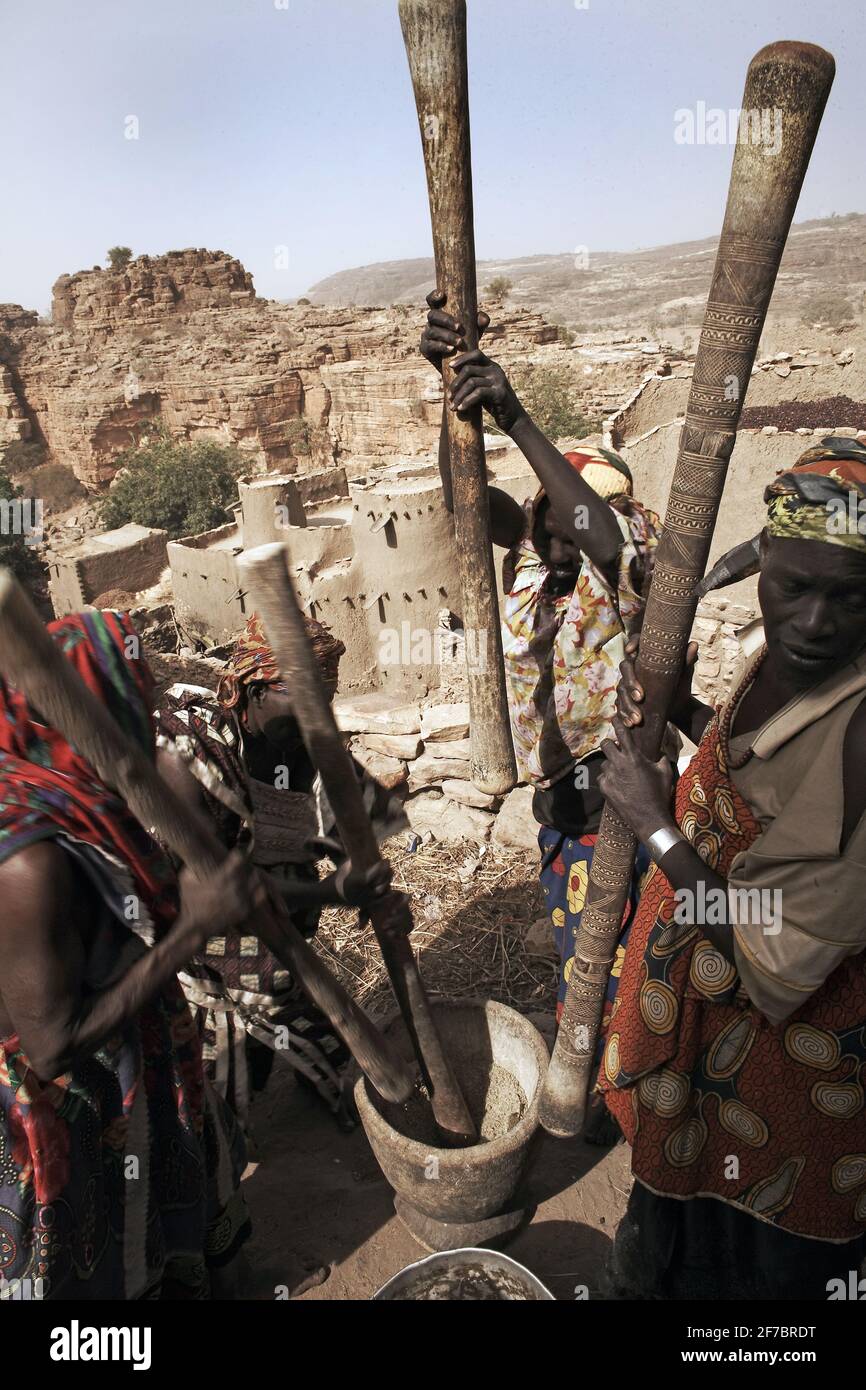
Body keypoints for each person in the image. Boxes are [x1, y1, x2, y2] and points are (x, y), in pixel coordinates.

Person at [595, 437, 866, 1299]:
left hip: (785, 1082)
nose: (816, 622)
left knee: (757, 1293)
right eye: (794, 587)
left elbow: (781, 958)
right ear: (765, 564)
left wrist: (655, 826)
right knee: (679, 1241)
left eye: (851, 599)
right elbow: (770, 782)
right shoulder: (787, 666)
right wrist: (685, 712)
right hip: (711, 1054)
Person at [420, 292, 662, 1049]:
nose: (556, 544)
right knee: (579, 961)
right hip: (557, 808)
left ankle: (620, 1088)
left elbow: (595, 531)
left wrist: (516, 417)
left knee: (624, 966)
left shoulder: (626, 567)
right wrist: (451, 388)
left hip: (614, 808)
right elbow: (464, 498)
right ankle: (588, 1075)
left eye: (567, 528)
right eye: (546, 528)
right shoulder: (533, 554)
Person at [0, 610, 254, 1299]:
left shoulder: (79, 799)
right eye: (130, 709)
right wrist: (191, 935)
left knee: (162, 1228)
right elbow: (53, 1048)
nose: (148, 724)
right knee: (98, 1274)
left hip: (135, 1046)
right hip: (63, 1104)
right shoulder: (29, 862)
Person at [156, 612, 407, 1131]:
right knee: (260, 1014)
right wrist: (330, 893)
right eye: (303, 700)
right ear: (252, 690)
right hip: (201, 924)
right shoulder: (195, 748)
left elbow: (357, 830)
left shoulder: (306, 742)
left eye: (326, 700)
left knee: (267, 1037)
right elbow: (213, 889)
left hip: (277, 908)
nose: (320, 718)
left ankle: (294, 1075)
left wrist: (374, 887)